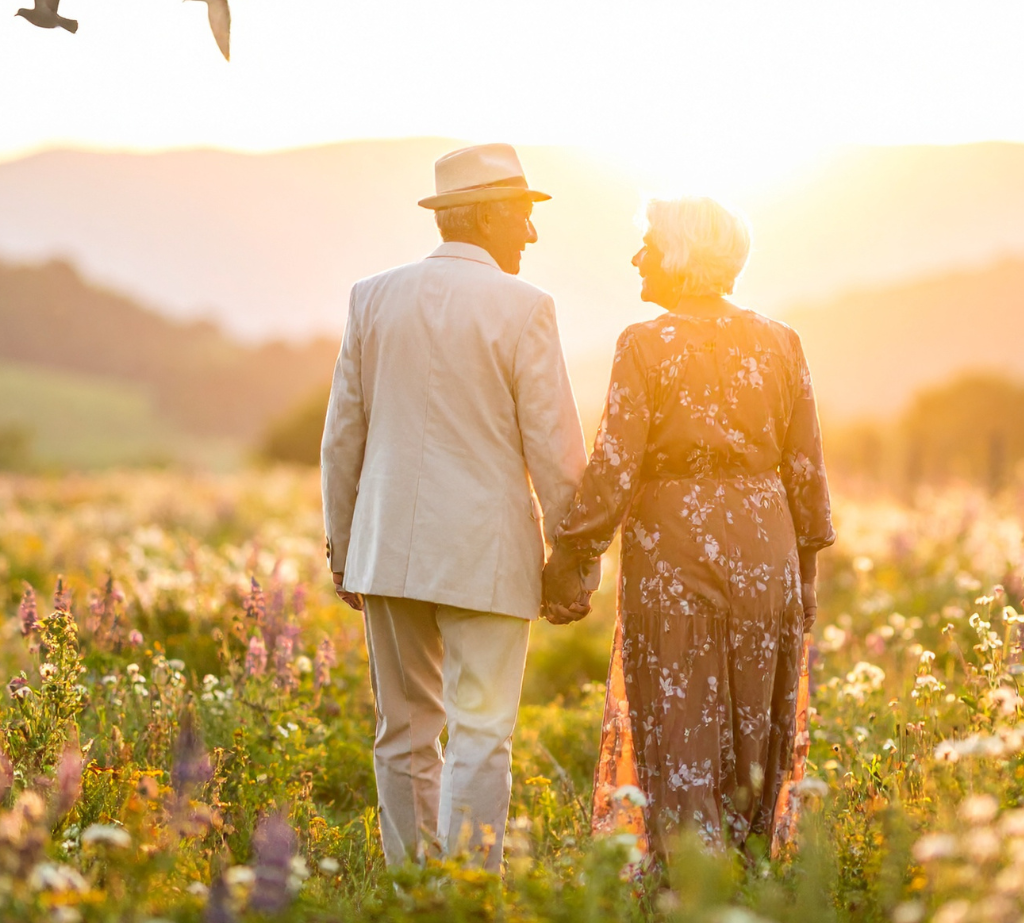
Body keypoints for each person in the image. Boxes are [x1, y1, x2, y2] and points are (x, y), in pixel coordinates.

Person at [320, 143, 588, 871]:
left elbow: (344, 434)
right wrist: (574, 561)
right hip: (487, 553)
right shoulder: (526, 307)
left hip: (387, 550)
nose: (531, 234)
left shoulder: (371, 296)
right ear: (491, 214)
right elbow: (557, 452)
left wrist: (344, 546)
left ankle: (415, 895)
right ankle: (469, 893)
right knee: (481, 731)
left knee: (401, 734)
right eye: (525, 216)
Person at [541, 196, 834, 854]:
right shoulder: (781, 341)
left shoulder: (646, 345)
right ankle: (749, 873)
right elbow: (806, 467)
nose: (637, 255)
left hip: (673, 553)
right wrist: (807, 578)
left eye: (647, 241)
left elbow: (616, 465)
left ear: (677, 255)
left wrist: (569, 556)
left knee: (681, 722)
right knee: (754, 721)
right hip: (767, 550)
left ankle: (688, 884)